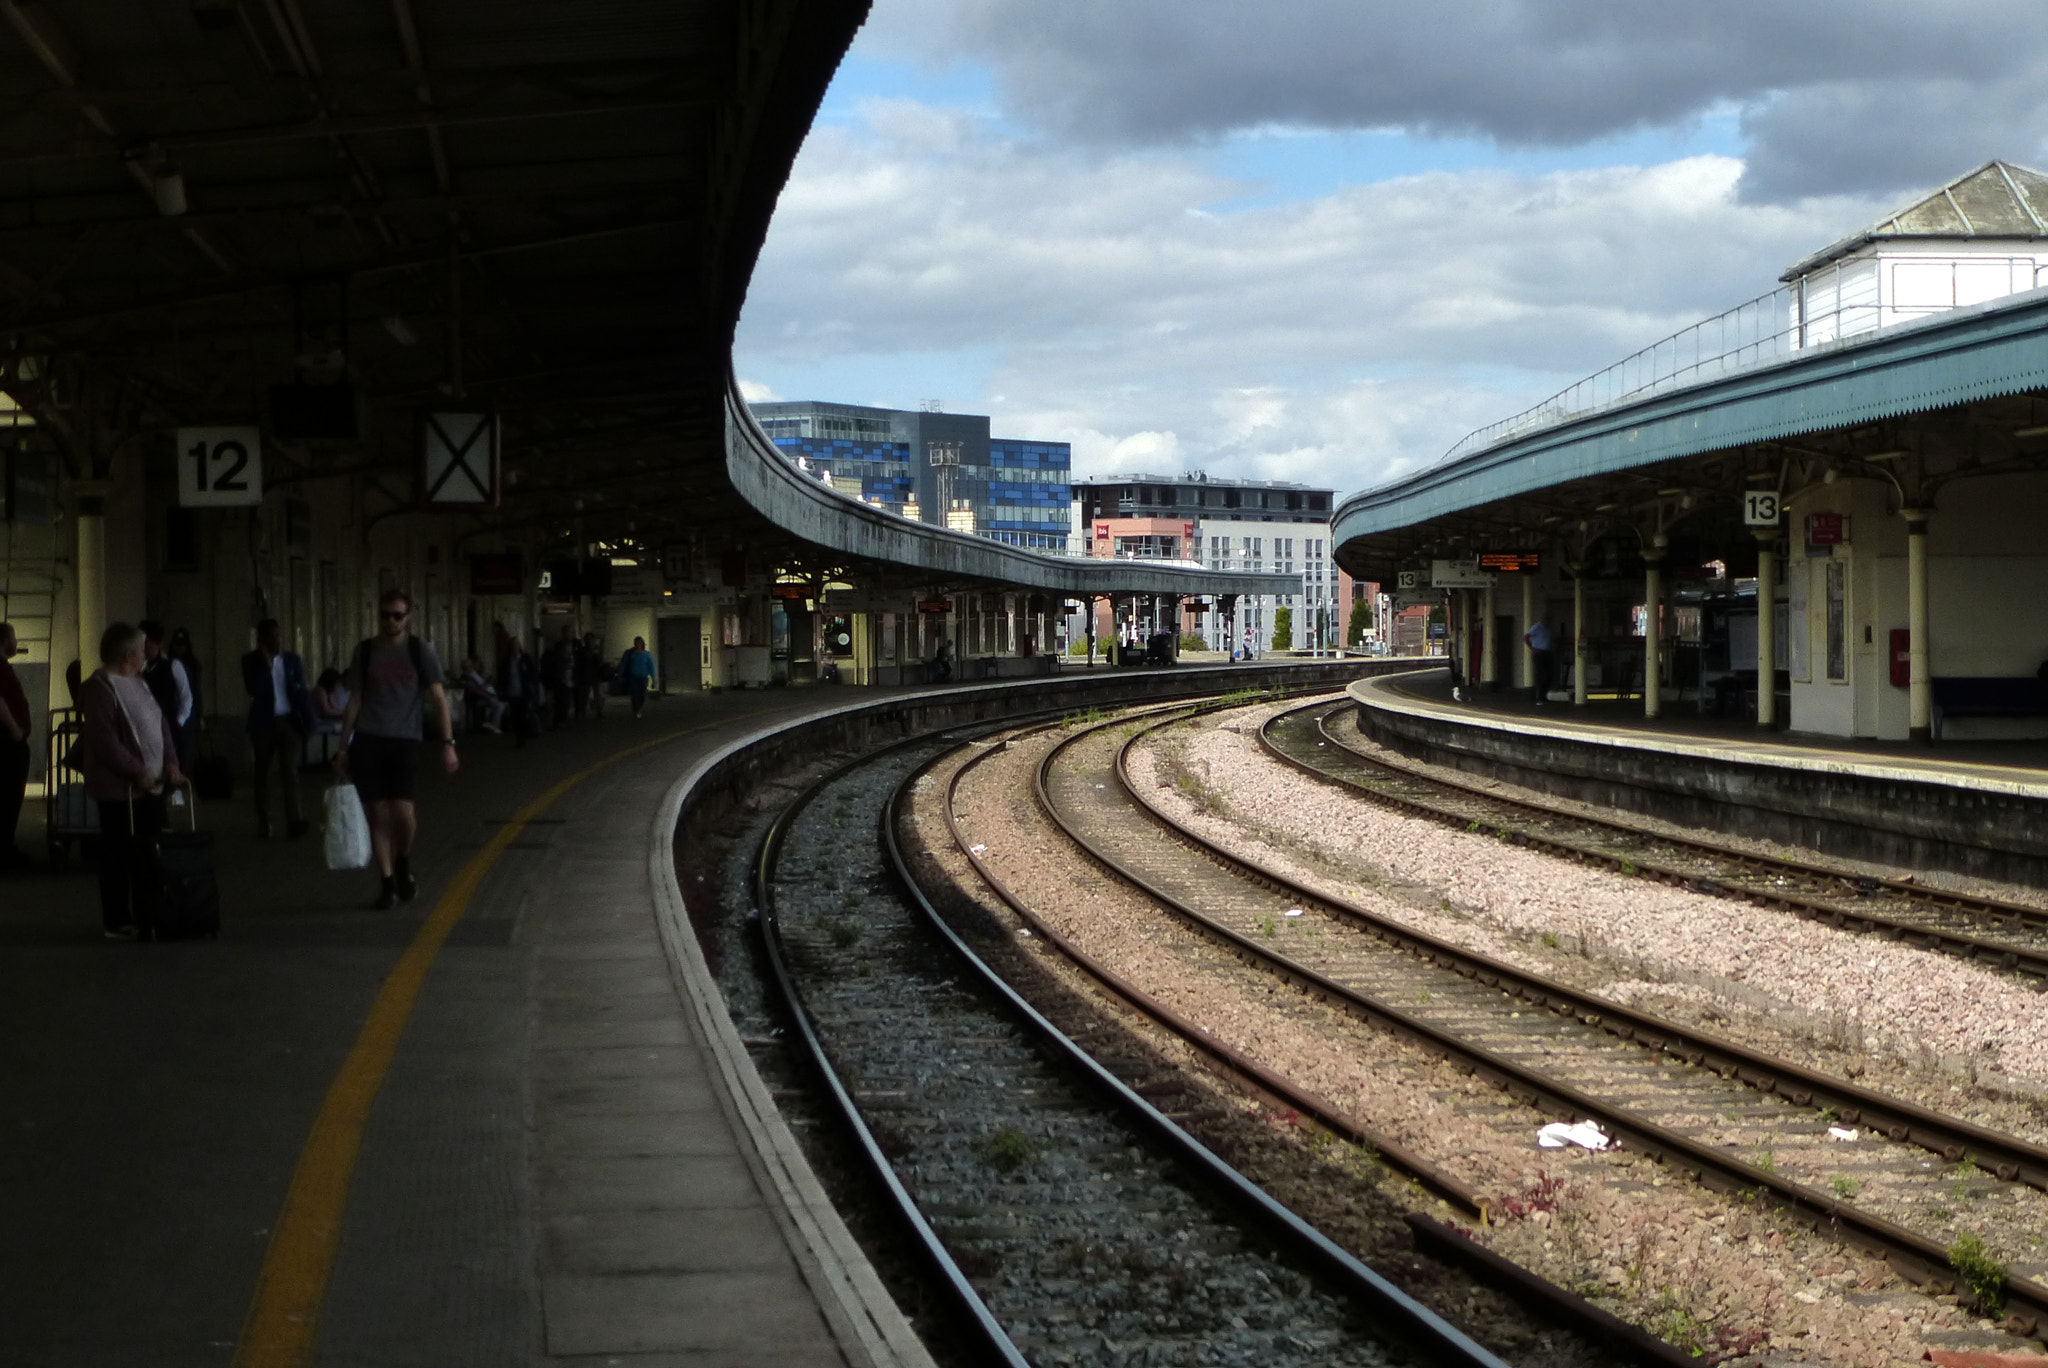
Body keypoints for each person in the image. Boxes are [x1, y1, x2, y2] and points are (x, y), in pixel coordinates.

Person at [334, 589, 458, 910]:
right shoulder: (364, 652)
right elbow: (355, 701)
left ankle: (402, 860)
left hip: (405, 741)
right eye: (385, 615)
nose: (391, 621)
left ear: (409, 617)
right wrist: (343, 746)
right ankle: (387, 883)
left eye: (397, 616)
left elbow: (439, 699)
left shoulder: (420, 652)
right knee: (378, 816)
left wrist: (448, 744)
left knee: (404, 814)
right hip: (369, 740)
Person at [81, 622, 185, 937]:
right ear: (128, 654)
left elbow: (160, 724)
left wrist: (171, 762)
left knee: (149, 853)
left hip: (151, 785)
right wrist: (135, 770)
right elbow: (105, 741)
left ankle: (151, 914)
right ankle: (117, 919)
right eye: (140, 651)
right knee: (118, 854)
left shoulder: (140, 683)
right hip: (120, 791)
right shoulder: (99, 689)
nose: (145, 656)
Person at [241, 618, 312, 839]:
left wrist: (309, 723)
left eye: (279, 635)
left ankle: (294, 821)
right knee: (262, 773)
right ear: (261, 639)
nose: (277, 640)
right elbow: (254, 689)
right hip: (263, 724)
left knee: (289, 772)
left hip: (288, 722)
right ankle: (265, 821)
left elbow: (301, 691)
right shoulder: (250, 661)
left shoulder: (292, 660)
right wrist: (267, 666)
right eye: (271, 636)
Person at [140, 621, 195, 779]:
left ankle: (177, 801)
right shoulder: (141, 669)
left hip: (170, 724)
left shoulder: (172, 665)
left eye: (148, 643)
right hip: (148, 726)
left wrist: (179, 721)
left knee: (175, 768)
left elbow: (186, 697)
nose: (145, 648)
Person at [0, 622, 30, 870]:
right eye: (13, 637)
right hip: (8, 744)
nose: (16, 642)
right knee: (7, 798)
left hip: (10, 742)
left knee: (9, 799)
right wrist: (15, 730)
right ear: (4, 641)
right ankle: (4, 851)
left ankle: (6, 847)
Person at [497, 636, 540, 744]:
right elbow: (502, 676)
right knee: (515, 715)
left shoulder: (525, 658)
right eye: (513, 645)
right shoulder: (507, 661)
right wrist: (501, 689)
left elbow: (532, 673)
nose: (515, 647)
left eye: (516, 645)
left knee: (523, 713)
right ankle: (519, 734)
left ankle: (522, 736)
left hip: (523, 691)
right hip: (512, 692)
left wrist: (533, 685)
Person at [456, 657, 504, 733]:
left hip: (488, 693)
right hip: (479, 698)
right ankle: (493, 725)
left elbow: (485, 685)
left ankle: (492, 724)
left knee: (501, 704)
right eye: (468, 666)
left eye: (471, 665)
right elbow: (476, 690)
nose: (471, 667)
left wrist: (489, 685)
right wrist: (488, 694)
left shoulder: (477, 674)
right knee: (499, 705)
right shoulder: (466, 677)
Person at [545, 627, 576, 729]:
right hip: (561, 677)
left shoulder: (571, 645)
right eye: (567, 633)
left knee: (565, 700)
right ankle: (559, 720)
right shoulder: (559, 646)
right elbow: (557, 661)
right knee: (561, 700)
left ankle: (561, 719)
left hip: (567, 677)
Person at [619, 636, 656, 716]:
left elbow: (651, 666)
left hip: (643, 677)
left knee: (642, 694)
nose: (638, 644)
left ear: (642, 644)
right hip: (633, 677)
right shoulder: (630, 654)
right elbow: (624, 664)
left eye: (639, 643)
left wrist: (653, 679)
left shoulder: (647, 654)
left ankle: (640, 707)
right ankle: (636, 709)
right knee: (635, 694)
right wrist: (620, 674)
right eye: (636, 643)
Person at [1525, 613, 1555, 707]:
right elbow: (1526, 637)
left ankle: (1544, 695)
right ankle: (1539, 697)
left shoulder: (1548, 629)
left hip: (1547, 652)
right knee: (1540, 674)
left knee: (1548, 674)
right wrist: (1532, 648)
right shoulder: (1537, 627)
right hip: (1539, 652)